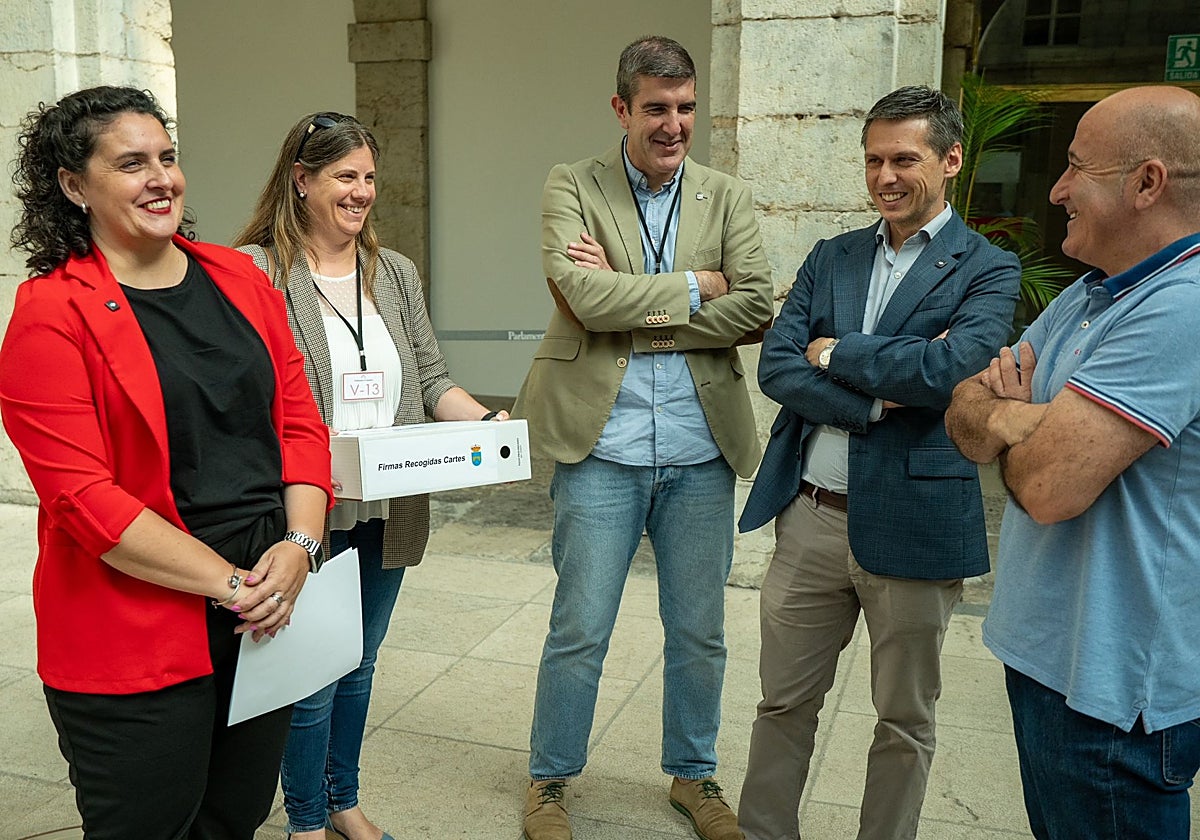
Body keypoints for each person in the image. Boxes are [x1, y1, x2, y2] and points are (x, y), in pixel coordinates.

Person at [0, 86, 331, 839]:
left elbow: (300, 423)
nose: (161, 179)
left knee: (236, 817)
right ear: (73, 185)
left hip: (264, 610)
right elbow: (85, 500)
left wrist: (300, 548)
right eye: (131, 163)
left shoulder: (237, 277)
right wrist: (234, 585)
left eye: (168, 158)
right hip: (138, 622)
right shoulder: (52, 313)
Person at [736, 86, 1021, 840]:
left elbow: (950, 371)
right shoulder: (833, 256)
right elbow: (775, 368)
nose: (885, 176)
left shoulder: (988, 269)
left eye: (904, 159)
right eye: (873, 160)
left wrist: (835, 352)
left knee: (903, 720)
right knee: (782, 705)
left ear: (951, 159)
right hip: (811, 519)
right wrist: (870, 398)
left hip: (916, 526)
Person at [513, 35, 774, 840]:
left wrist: (640, 313)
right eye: (656, 108)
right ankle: (550, 782)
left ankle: (694, 778)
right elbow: (584, 299)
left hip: (700, 453)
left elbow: (761, 304)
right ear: (622, 108)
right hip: (603, 448)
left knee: (700, 629)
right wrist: (699, 288)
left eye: (686, 107)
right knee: (580, 625)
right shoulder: (573, 183)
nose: (674, 125)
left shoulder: (724, 196)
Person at [232, 111, 507, 840]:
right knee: (312, 675)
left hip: (390, 496)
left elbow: (433, 379)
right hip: (309, 507)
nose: (362, 192)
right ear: (301, 181)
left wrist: (485, 426)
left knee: (359, 662)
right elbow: (246, 398)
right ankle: (308, 821)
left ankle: (344, 799)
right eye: (345, 177)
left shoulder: (394, 273)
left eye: (370, 178)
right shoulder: (257, 272)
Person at [945, 86, 1200, 840]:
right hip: (1055, 666)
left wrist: (1012, 429)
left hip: (1112, 698)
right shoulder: (1093, 294)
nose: (1056, 191)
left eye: (1076, 168)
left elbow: (1050, 488)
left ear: (1147, 183)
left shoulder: (1180, 305)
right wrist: (1020, 419)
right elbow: (962, 407)